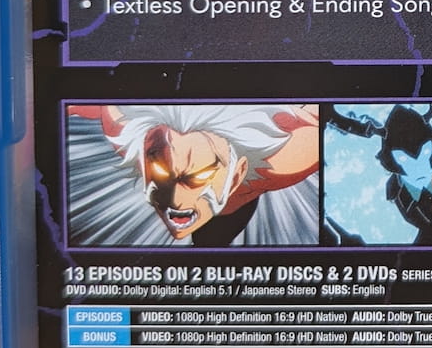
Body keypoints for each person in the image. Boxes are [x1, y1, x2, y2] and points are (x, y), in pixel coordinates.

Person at [102, 103, 321, 247]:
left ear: (237, 174)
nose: (176, 200)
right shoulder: (293, 156)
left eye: (198, 178)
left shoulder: (288, 159)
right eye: (161, 171)